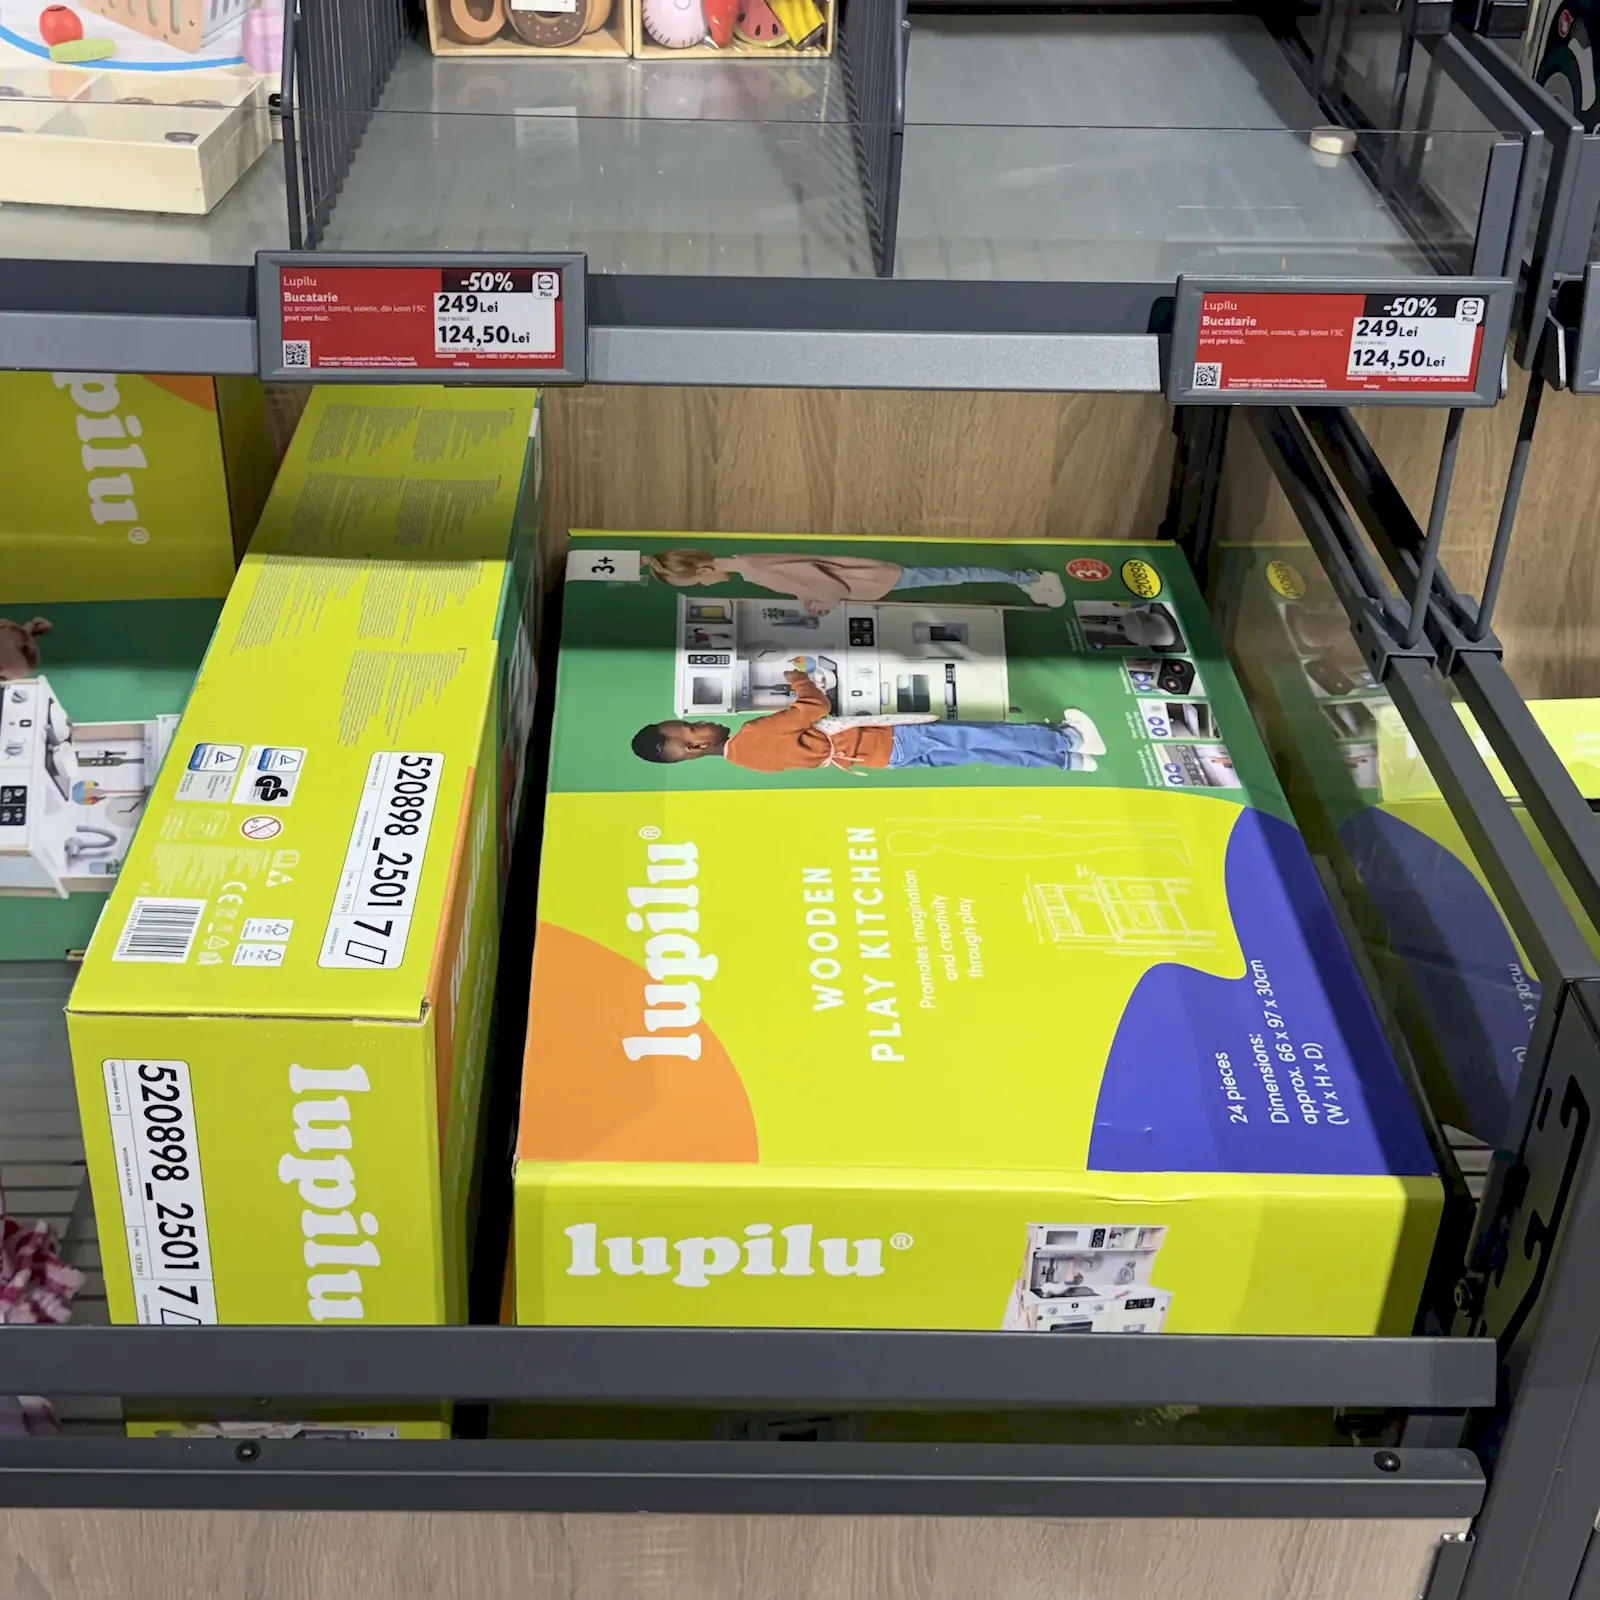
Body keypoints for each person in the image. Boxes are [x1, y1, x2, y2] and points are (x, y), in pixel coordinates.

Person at [631, 669, 1105, 775]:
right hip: (886, 740)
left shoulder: (745, 760)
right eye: (690, 728)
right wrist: (797, 677)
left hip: (879, 762)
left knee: (975, 752)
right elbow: (814, 708)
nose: (698, 722)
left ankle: (1070, 762)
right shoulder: (751, 733)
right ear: (694, 747)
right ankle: (1069, 739)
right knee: (976, 735)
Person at [648, 548, 1066, 614]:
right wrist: (809, 600)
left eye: (700, 585)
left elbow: (825, 584)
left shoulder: (753, 571)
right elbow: (804, 580)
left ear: (703, 571)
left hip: (869, 581)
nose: (707, 587)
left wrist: (823, 603)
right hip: (867, 575)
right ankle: (1026, 580)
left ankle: (1030, 579)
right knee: (951, 576)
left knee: (954, 576)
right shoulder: (745, 561)